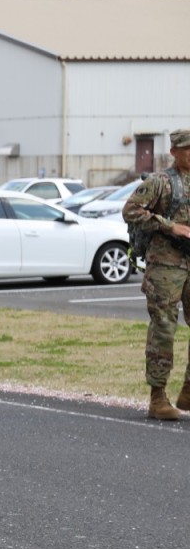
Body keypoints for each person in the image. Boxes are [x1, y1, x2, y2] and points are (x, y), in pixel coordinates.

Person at [123, 128, 190, 421]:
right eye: (188, 149)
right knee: (164, 327)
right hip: (165, 265)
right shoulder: (160, 182)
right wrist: (168, 225)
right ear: (175, 151)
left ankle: (188, 390)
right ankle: (158, 397)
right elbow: (130, 210)